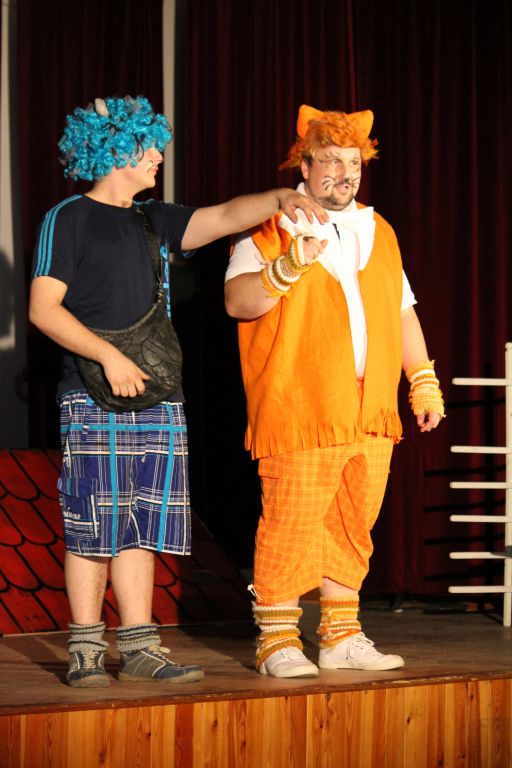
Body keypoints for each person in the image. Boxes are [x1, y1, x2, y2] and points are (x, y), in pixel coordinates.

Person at [29, 95, 326, 688]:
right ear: (117, 151)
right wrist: (108, 356)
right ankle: (86, 649)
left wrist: (279, 198)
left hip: (158, 392)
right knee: (94, 523)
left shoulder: (153, 218)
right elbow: (43, 308)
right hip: (92, 392)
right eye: (149, 148)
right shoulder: (69, 217)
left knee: (140, 523)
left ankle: (139, 647)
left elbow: (223, 216)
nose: (159, 157)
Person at [224, 104, 444, 678]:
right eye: (332, 161)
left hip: (370, 410)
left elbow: (402, 311)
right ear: (304, 165)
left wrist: (422, 380)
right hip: (302, 406)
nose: (345, 174)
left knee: (352, 524)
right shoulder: (269, 227)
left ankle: (341, 636)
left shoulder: (380, 229)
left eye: (354, 163)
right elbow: (238, 302)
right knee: (291, 524)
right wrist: (286, 266)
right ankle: (276, 640)